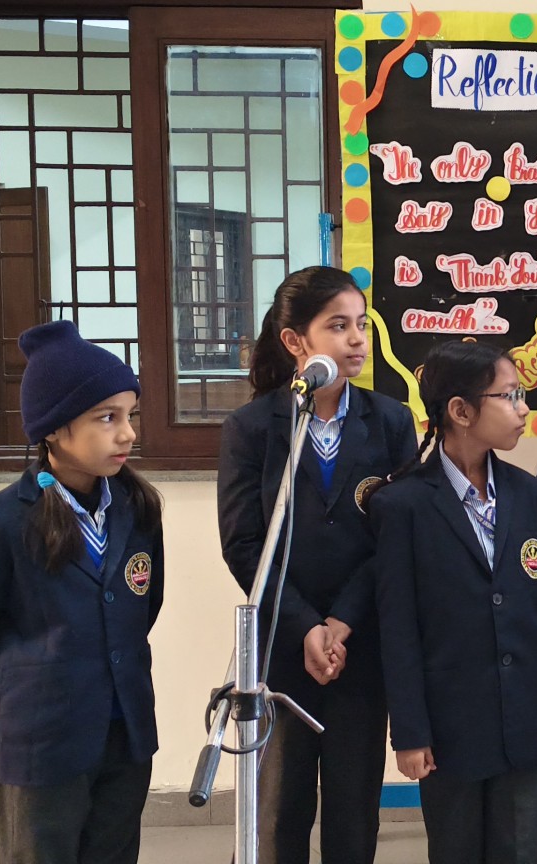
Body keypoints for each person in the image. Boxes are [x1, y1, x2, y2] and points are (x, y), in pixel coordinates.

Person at [0, 320, 165, 864]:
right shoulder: (3, 521)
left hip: (126, 735)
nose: (127, 434)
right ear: (54, 429)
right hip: (43, 745)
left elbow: (143, 605)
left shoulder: (136, 509)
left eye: (130, 415)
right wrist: (23, 698)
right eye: (107, 418)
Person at [217, 266, 417, 864]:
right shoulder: (253, 427)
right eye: (337, 325)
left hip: (360, 644)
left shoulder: (390, 421)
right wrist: (306, 625)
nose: (356, 339)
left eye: (362, 324)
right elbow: (245, 544)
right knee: (281, 812)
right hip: (282, 646)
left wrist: (341, 623)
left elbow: (396, 539)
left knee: (354, 811)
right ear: (294, 341)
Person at [370, 339, 537, 864]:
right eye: (510, 396)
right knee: (455, 850)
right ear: (461, 410)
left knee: (521, 850)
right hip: (450, 727)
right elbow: (398, 627)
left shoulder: (530, 494)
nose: (523, 409)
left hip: (522, 720)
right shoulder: (402, 505)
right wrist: (410, 732)